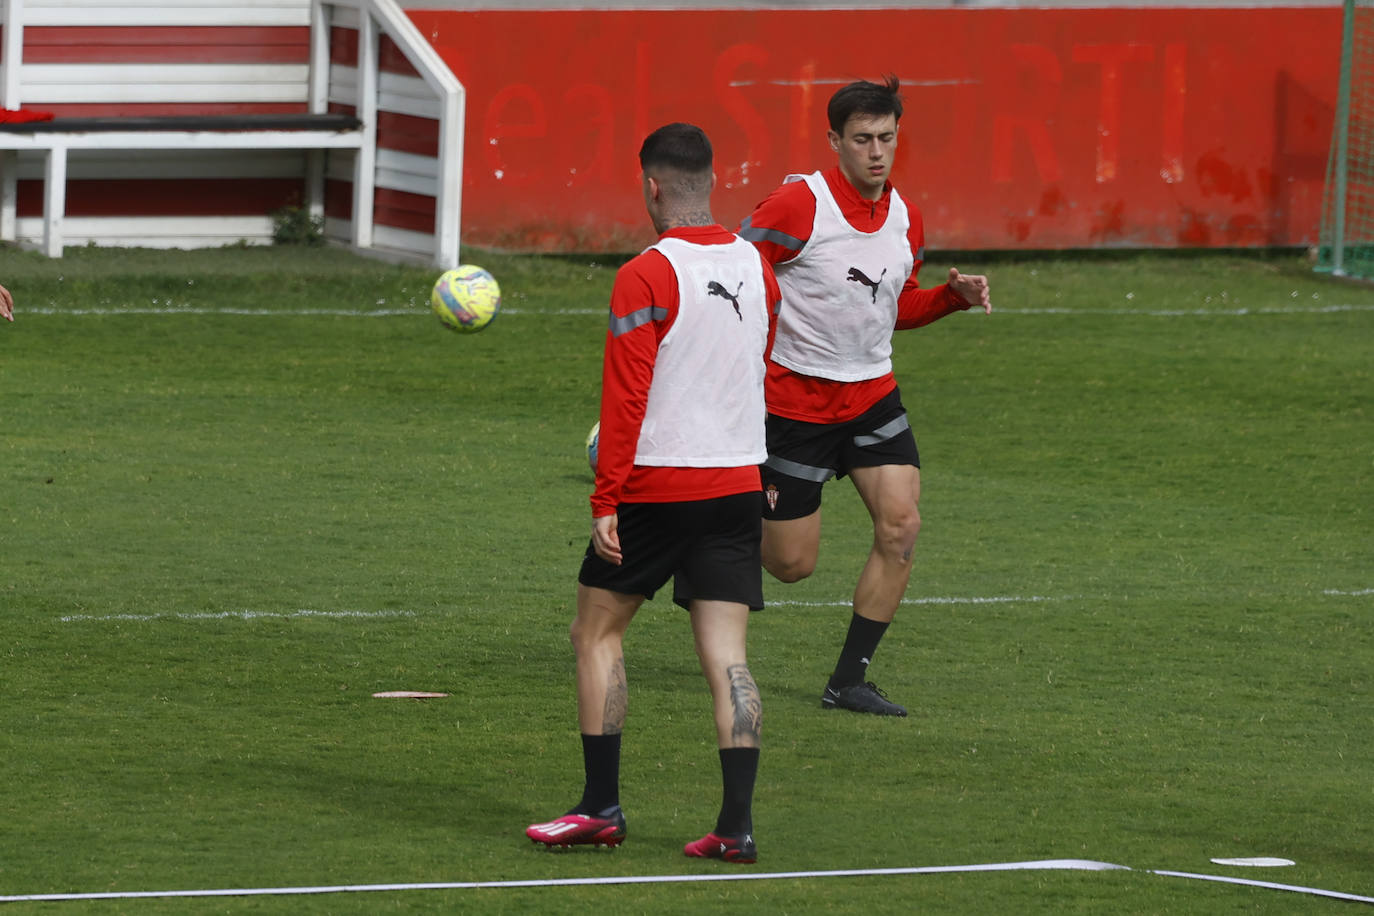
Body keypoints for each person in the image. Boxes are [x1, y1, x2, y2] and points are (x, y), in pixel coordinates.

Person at [525, 122, 780, 864]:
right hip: (738, 484)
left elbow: (626, 396)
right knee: (729, 660)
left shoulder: (646, 273)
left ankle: (600, 807)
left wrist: (606, 499)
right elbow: (758, 370)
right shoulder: (756, 267)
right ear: (710, 181)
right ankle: (736, 828)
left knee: (596, 633)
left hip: (658, 489)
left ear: (652, 187)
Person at [738, 75, 992, 717]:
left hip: (872, 397)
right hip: (794, 406)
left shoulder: (906, 217)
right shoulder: (801, 206)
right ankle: (720, 504)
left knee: (902, 527)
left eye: (886, 138)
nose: (876, 152)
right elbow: (734, 271)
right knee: (791, 567)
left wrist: (948, 301)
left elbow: (888, 308)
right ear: (835, 141)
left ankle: (847, 680)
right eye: (861, 140)